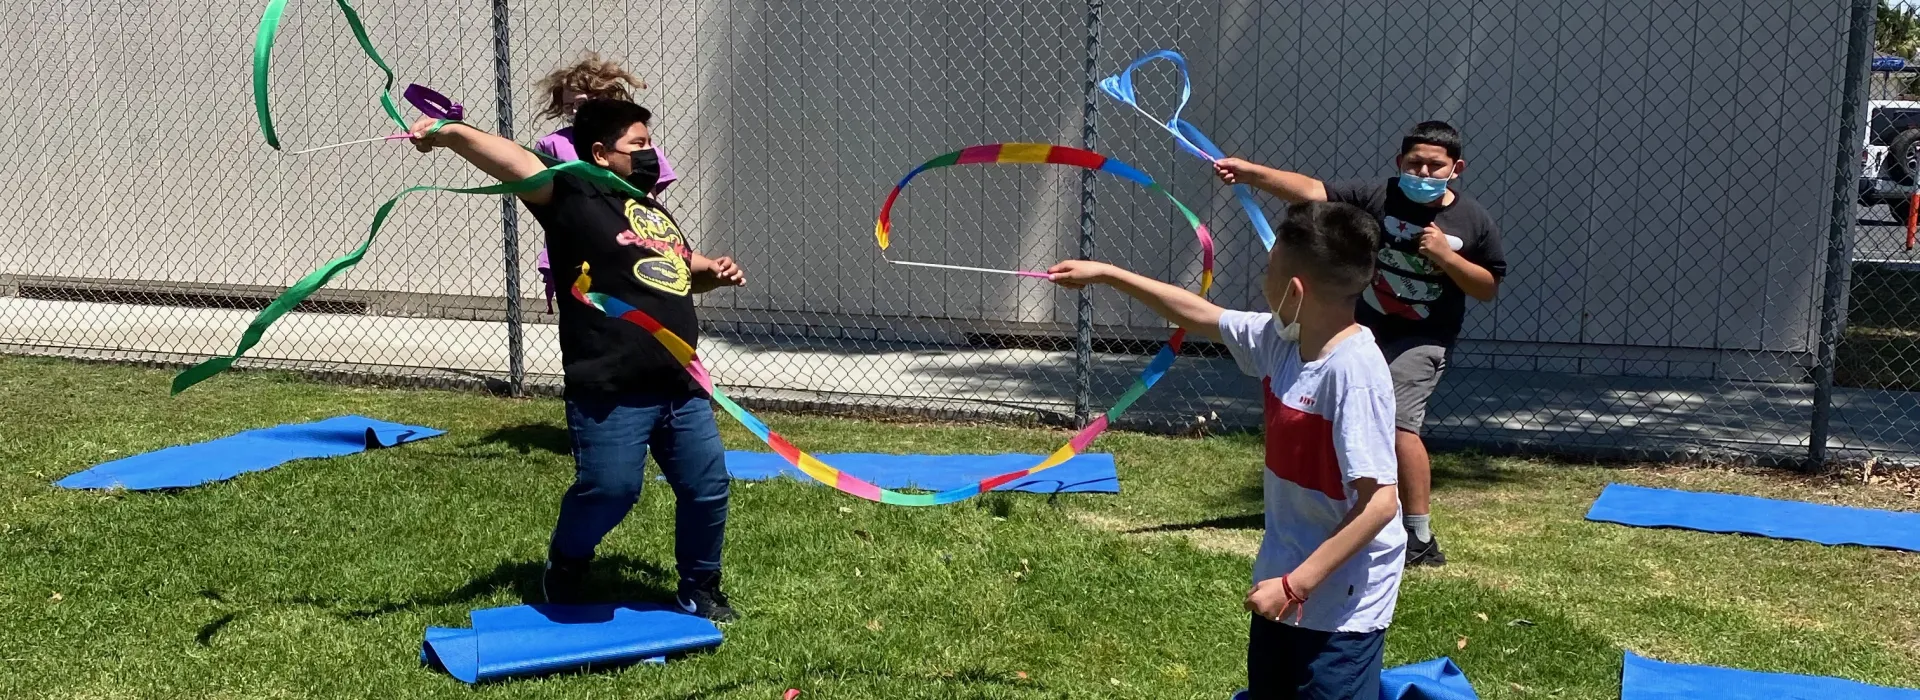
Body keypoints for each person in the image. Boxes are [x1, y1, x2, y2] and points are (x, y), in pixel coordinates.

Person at [1048, 201, 1404, 699]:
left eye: (1268, 271)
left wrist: (1296, 584)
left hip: (1341, 602)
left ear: (1295, 292)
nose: (1262, 282)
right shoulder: (1283, 340)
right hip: (1285, 575)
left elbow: (1380, 503)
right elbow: (1201, 314)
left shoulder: (1354, 374)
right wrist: (1107, 274)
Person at [408, 98, 746, 620]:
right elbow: (513, 160)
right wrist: (449, 132)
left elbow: (678, 274)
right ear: (599, 153)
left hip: (679, 383)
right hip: (611, 385)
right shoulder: (570, 194)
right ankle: (566, 562)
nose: (651, 153)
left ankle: (700, 587)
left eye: (650, 142)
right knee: (611, 490)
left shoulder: (651, 208)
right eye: (638, 144)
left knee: (707, 487)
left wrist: (713, 273)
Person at [1214, 120, 1506, 567]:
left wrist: (1447, 257)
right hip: (1359, 332)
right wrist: (1252, 173)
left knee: (1398, 427)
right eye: (1415, 164)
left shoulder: (1472, 220)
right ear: (1399, 163)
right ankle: (1346, 504)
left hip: (1422, 338)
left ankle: (1419, 536)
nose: (1424, 173)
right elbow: (1312, 191)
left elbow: (1487, 287)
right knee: (1332, 414)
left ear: (1456, 168)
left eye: (1435, 166)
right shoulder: (1376, 197)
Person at [529, 53, 681, 311]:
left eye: (583, 103)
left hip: (628, 240)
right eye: (569, 106)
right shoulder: (552, 144)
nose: (576, 112)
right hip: (579, 245)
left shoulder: (631, 140)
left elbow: (649, 193)